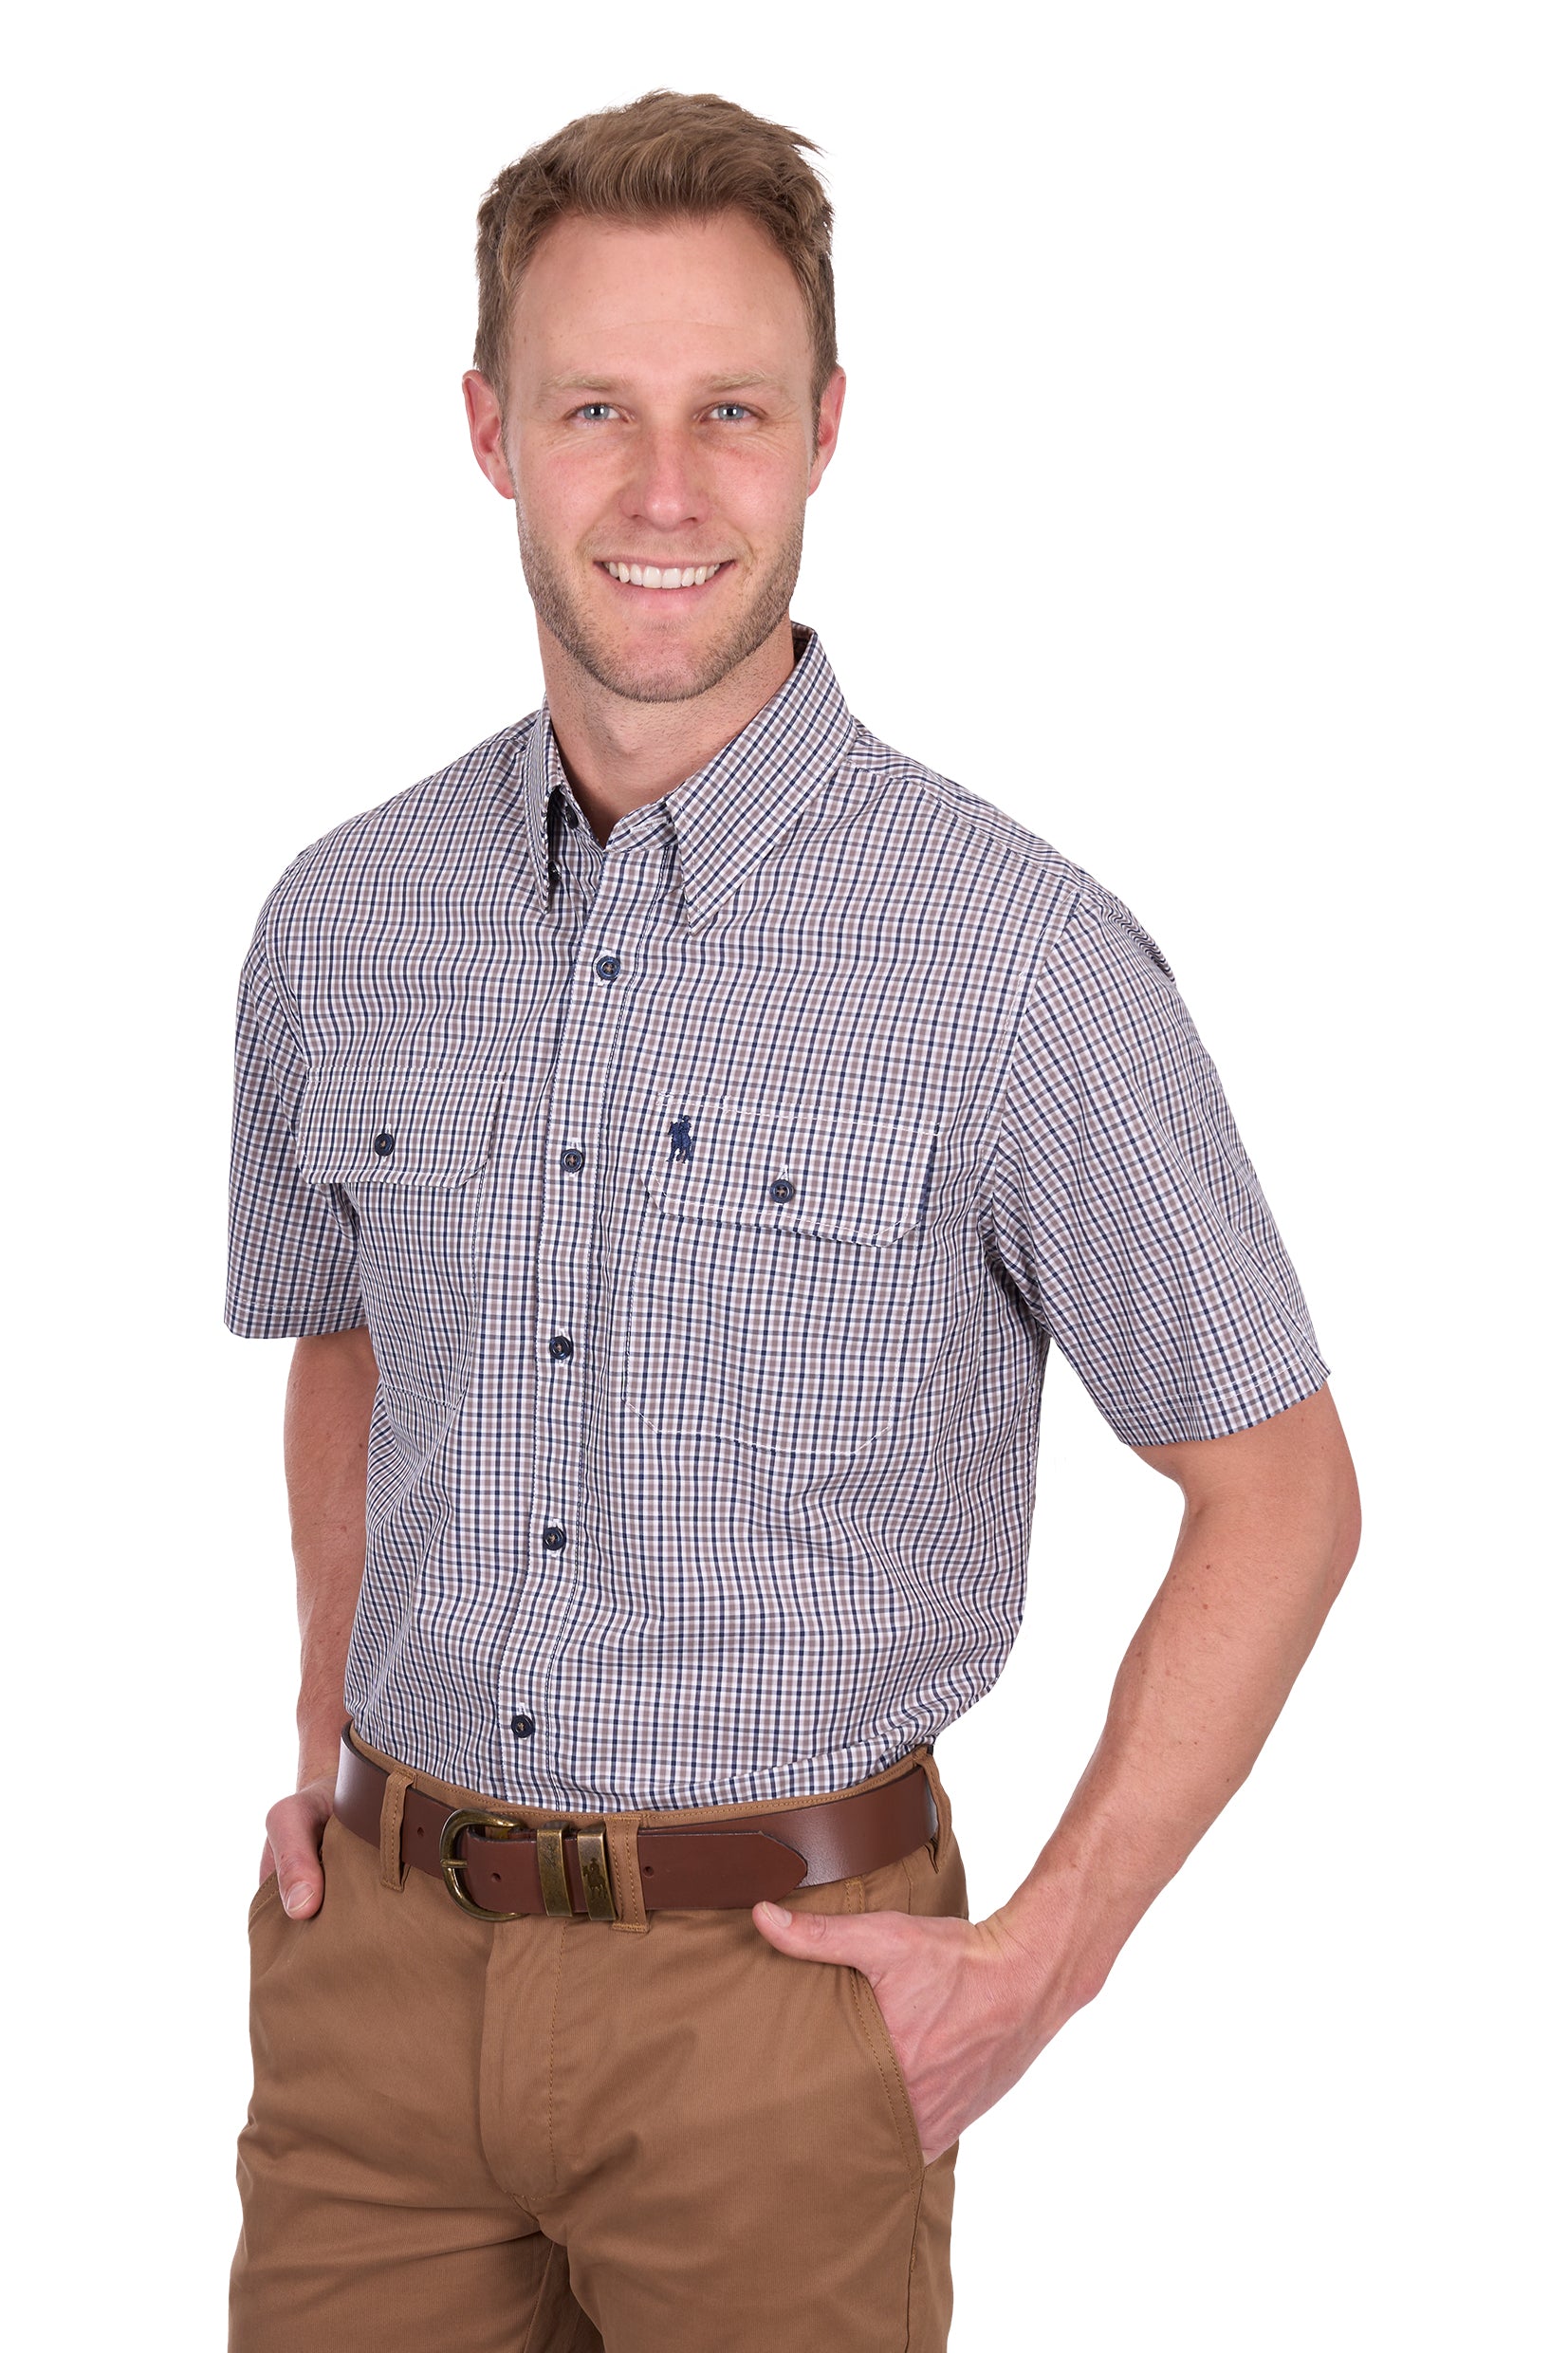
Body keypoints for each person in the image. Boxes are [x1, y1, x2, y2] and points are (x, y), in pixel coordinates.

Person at [225, 86, 1359, 2353]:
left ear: (824, 428)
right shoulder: (339, 921)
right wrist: (329, 1749)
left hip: (779, 2011)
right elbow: (351, 1341)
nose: (663, 490)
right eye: (594, 411)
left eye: (727, 411)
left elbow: (1280, 1493)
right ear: (488, 433)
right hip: (376, 2008)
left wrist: (1039, 1960)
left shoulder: (1015, 960)